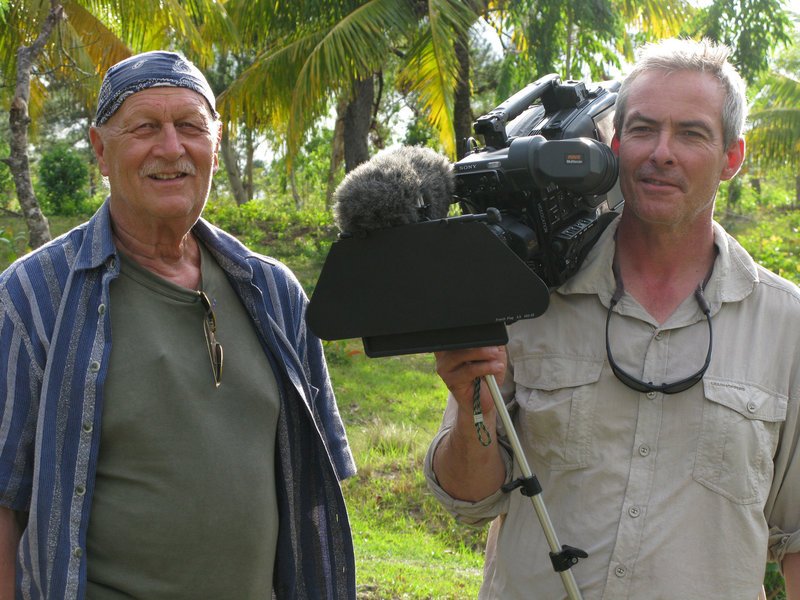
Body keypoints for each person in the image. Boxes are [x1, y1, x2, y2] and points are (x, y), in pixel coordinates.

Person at [424, 38, 800, 599]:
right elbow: (469, 498)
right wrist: (470, 404)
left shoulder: (785, 325)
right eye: (644, 130)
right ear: (615, 144)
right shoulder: (526, 295)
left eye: (691, 134)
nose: (661, 153)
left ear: (732, 158)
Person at [0, 50, 356, 599]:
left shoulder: (274, 292)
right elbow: (4, 504)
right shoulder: (35, 296)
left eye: (190, 126)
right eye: (145, 128)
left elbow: (316, 484)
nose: (171, 149)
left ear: (215, 143)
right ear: (99, 149)